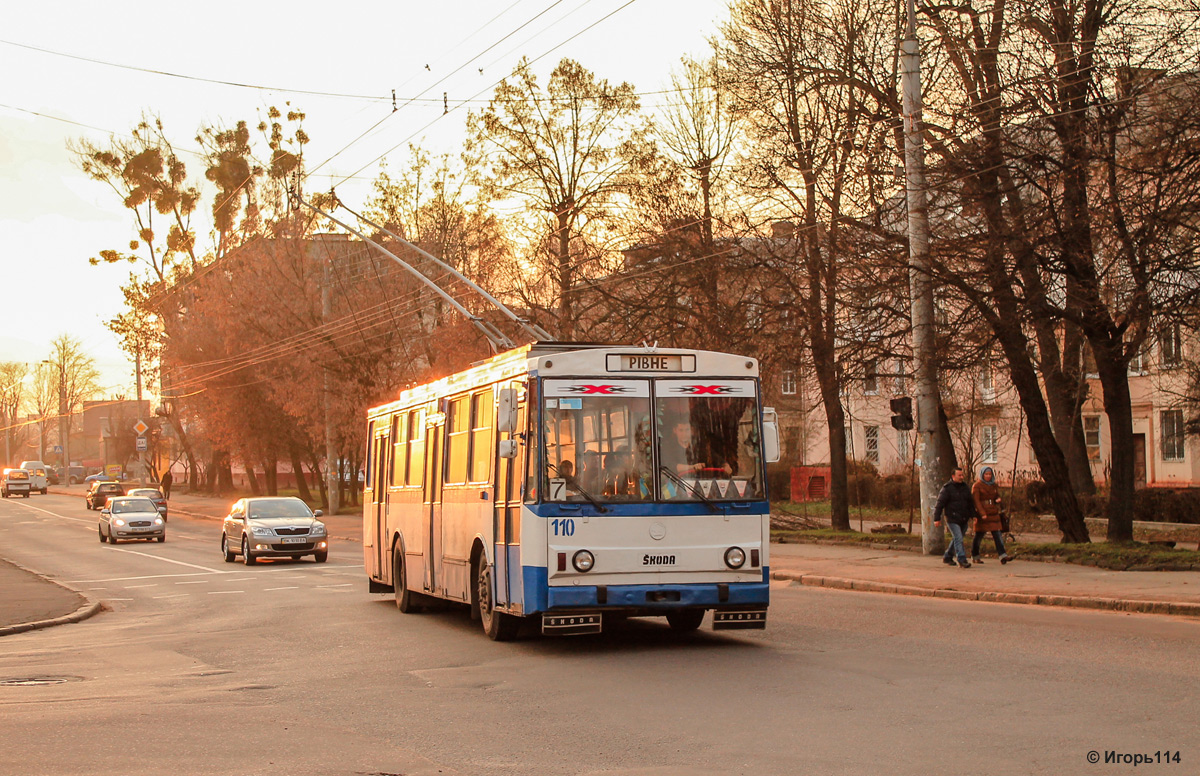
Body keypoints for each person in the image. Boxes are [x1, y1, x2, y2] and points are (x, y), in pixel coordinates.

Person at [933, 467, 977, 568]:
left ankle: (948, 556)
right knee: (958, 538)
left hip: (963, 518)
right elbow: (940, 504)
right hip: (952, 518)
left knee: (957, 538)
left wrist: (973, 515)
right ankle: (962, 559)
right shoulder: (947, 488)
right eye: (959, 475)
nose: (962, 477)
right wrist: (937, 518)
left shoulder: (965, 487)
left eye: (962, 475)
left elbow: (970, 503)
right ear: (953, 476)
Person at [662, 419, 732, 477]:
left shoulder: (700, 447)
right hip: (677, 485)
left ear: (692, 431)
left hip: (699, 486)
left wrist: (725, 465)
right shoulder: (669, 447)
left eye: (687, 430)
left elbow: (717, 459)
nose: (684, 434)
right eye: (681, 430)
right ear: (675, 430)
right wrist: (693, 467)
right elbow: (671, 466)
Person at [971, 466, 1011, 564]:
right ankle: (975, 555)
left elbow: (996, 495)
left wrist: (998, 499)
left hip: (993, 512)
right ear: (982, 475)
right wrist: (982, 513)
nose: (988, 476)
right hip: (983, 512)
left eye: (990, 474)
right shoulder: (977, 486)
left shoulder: (993, 485)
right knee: (979, 535)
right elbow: (976, 501)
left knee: (997, 534)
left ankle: (1003, 555)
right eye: (986, 474)